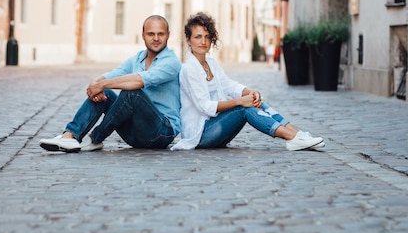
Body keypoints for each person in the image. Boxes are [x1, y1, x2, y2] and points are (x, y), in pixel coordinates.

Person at [171, 12, 324, 151]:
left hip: (216, 129)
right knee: (244, 107)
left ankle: (297, 134)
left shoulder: (211, 64)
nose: (203, 41)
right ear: (188, 40)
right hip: (200, 135)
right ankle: (290, 138)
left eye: (207, 36)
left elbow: (230, 85)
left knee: (255, 101)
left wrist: (249, 92)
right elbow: (205, 106)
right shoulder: (189, 69)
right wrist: (240, 101)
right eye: (198, 37)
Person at [40, 15, 181, 153]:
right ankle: (70, 136)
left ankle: (94, 138)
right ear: (143, 35)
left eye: (160, 34)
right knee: (106, 93)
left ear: (168, 35)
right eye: (151, 34)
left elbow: (140, 80)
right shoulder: (137, 58)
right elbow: (115, 74)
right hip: (134, 135)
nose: (156, 38)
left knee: (131, 93)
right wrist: (95, 85)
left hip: (161, 133)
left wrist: (102, 85)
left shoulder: (171, 62)